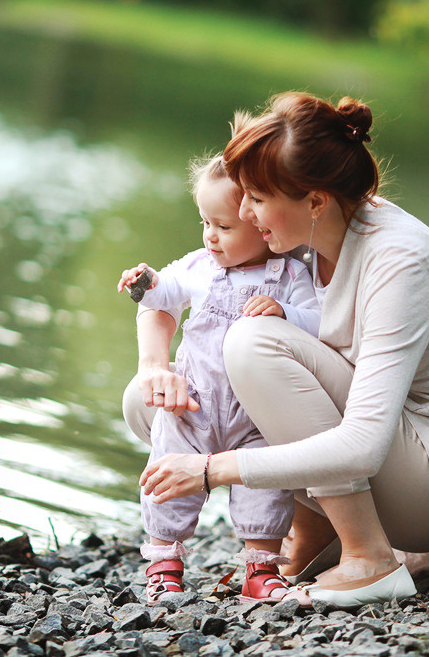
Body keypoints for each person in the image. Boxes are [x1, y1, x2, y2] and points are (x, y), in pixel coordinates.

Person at [126, 92, 429, 608]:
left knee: (253, 344)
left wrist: (215, 469)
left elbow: (365, 443)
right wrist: (153, 367)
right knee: (148, 398)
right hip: (380, 464)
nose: (241, 211)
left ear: (315, 200)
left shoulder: (400, 263)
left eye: (256, 199)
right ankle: (312, 537)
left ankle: (368, 557)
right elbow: (175, 288)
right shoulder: (298, 231)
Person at [117, 154, 321, 605]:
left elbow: (322, 322)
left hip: (255, 415)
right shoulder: (199, 266)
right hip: (192, 404)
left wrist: (286, 312)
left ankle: (261, 567)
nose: (210, 235)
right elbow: (163, 293)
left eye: (224, 227)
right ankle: (164, 566)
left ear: (259, 225)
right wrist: (143, 281)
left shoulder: (289, 275)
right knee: (167, 476)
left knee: (264, 488)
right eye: (204, 222)